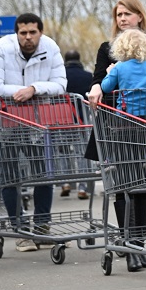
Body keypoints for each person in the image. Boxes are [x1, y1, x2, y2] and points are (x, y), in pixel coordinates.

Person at [86, 0, 146, 272]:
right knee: (125, 182)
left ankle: (138, 244)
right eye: (118, 15)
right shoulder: (107, 49)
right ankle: (127, 242)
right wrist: (99, 83)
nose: (122, 19)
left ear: (140, 17)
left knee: (143, 183)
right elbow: (99, 79)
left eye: (127, 14)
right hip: (117, 124)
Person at [0, 13, 67, 252]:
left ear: (40, 31)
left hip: (36, 122)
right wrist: (21, 91)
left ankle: (41, 227)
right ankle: (20, 229)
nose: (28, 37)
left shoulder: (50, 47)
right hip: (5, 121)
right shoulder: (1, 48)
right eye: (23, 33)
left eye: (33, 32)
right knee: (11, 177)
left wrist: (34, 89)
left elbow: (61, 83)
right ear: (16, 33)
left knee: (43, 174)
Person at [62, 50, 94, 200]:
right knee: (82, 153)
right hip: (83, 121)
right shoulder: (88, 76)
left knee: (63, 152)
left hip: (63, 120)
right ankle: (82, 187)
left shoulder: (60, 77)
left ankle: (65, 182)